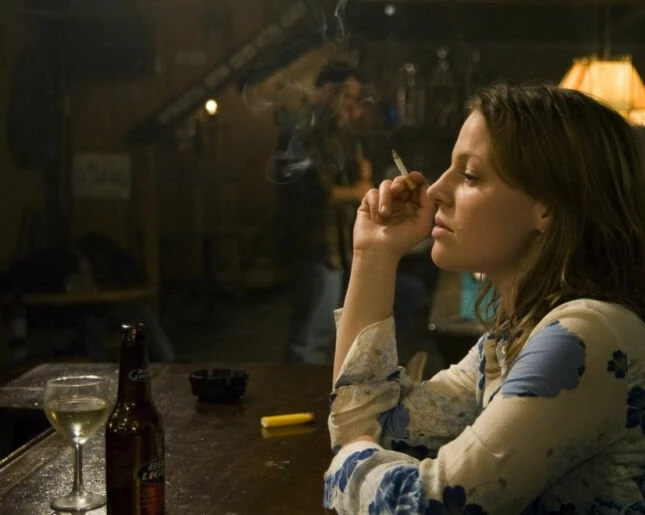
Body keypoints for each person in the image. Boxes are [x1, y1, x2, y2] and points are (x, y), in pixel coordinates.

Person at [323, 83, 645, 513]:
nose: (434, 191)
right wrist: (373, 254)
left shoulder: (585, 336)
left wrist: (352, 460)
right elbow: (367, 425)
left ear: (547, 208)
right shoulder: (511, 339)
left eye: (470, 175)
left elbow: (434, 505)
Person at [275, 61, 372, 364]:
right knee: (309, 340)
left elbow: (349, 178)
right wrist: (360, 189)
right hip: (312, 250)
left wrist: (361, 174)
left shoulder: (333, 132)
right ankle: (295, 392)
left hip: (333, 251)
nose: (353, 107)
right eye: (349, 98)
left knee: (321, 336)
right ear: (329, 91)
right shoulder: (304, 132)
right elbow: (320, 193)